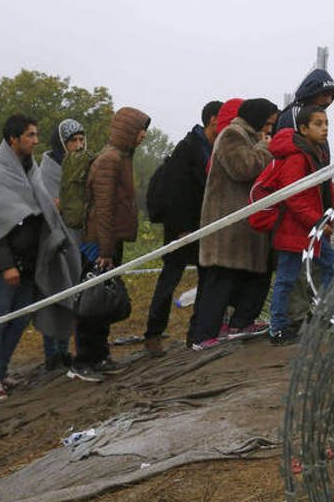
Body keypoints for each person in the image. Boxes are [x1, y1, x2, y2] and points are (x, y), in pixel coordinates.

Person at [0, 114, 81, 402]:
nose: (36, 140)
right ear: (14, 139)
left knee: (19, 320)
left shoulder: (30, 170)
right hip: (2, 267)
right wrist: (6, 265)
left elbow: (39, 212)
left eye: (37, 135)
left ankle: (0, 372)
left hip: (29, 263)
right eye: (30, 135)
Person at [191, 98, 279, 349]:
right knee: (220, 281)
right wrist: (264, 148)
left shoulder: (249, 136)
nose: (269, 130)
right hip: (226, 225)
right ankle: (203, 335)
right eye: (268, 123)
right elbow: (243, 168)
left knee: (249, 276)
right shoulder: (232, 134)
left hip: (243, 225)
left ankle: (240, 323)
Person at [70, 107, 149, 379]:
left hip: (110, 240)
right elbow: (103, 207)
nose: (144, 135)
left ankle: (100, 355)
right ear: (128, 130)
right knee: (92, 302)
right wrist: (104, 251)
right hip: (100, 242)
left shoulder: (121, 157)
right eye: (140, 129)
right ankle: (83, 361)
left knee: (103, 301)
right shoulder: (110, 159)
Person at [143, 100, 221, 356]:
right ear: (212, 120)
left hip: (204, 228)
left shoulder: (213, 149)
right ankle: (153, 335)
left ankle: (196, 332)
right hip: (181, 230)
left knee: (208, 280)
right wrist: (181, 230)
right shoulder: (188, 148)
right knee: (169, 281)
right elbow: (177, 192)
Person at [267, 106, 334, 344]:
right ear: (303, 128)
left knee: (332, 266)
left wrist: (327, 218)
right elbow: (293, 196)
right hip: (295, 229)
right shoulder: (297, 156)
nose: (325, 128)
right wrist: (319, 221)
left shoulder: (314, 153)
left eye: (326, 123)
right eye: (318, 124)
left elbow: (320, 190)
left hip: (309, 229)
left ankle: (325, 314)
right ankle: (277, 328)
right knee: (287, 278)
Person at [37, 118, 86, 369]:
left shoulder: (83, 166)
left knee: (73, 297)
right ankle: (53, 353)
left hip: (77, 239)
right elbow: (43, 205)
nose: (78, 146)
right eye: (72, 141)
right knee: (53, 296)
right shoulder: (46, 170)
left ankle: (67, 349)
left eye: (81, 140)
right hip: (52, 242)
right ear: (61, 144)